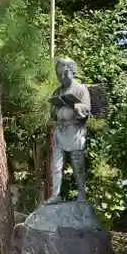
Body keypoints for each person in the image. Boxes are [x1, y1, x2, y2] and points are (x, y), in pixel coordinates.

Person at [45, 58, 91, 204]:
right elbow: (52, 113)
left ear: (72, 72)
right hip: (60, 131)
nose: (63, 77)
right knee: (56, 165)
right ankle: (56, 194)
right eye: (60, 75)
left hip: (75, 131)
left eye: (65, 73)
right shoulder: (57, 91)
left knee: (78, 165)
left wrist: (75, 105)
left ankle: (82, 194)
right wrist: (54, 106)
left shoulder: (81, 89)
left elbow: (87, 110)